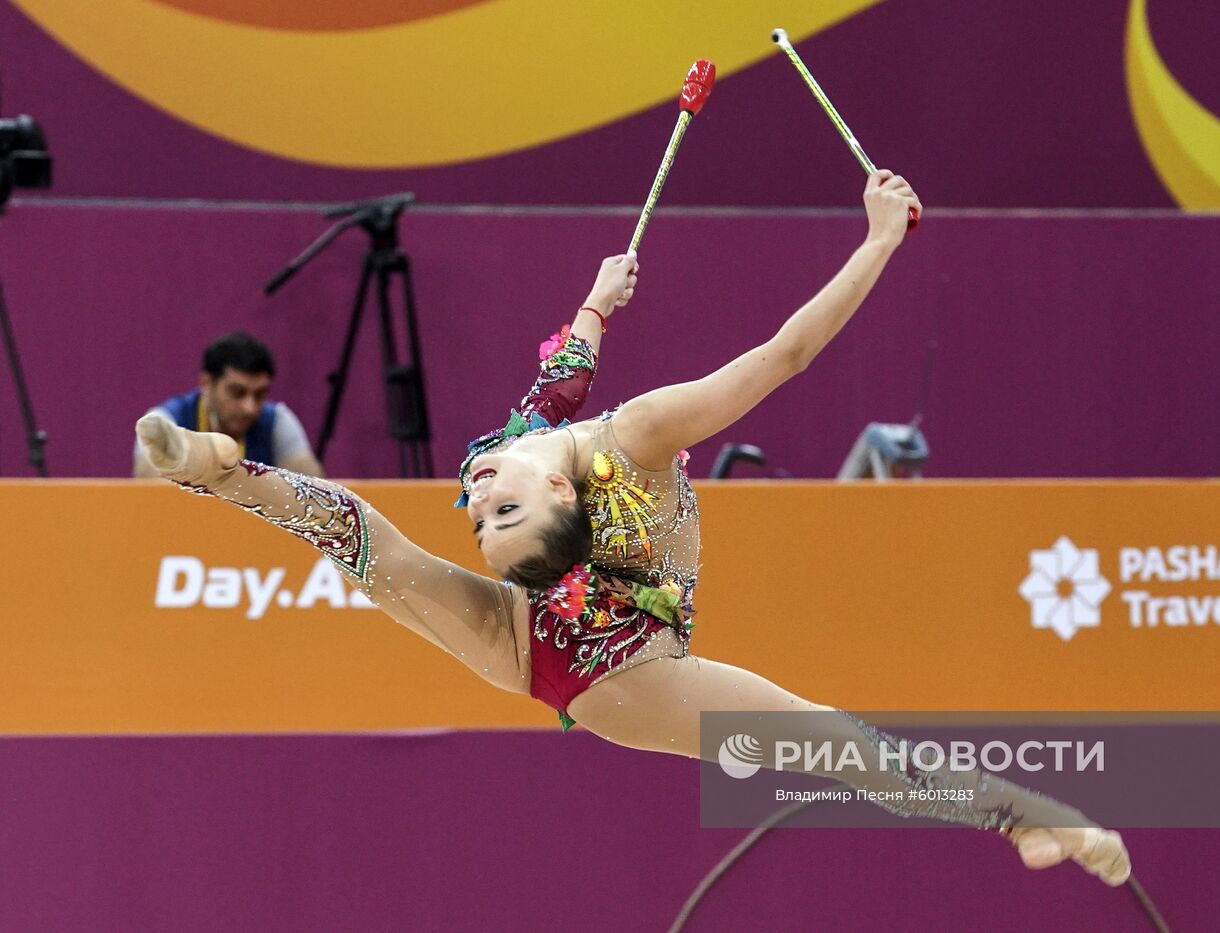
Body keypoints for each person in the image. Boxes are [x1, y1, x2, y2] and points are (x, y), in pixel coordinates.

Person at [136, 172, 1129, 886]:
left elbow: (694, 368)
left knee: (837, 746)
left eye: (487, 514)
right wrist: (603, 307)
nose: (477, 498)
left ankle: (1020, 821)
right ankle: (213, 472)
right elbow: (629, 380)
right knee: (366, 540)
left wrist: (866, 241)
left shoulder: (582, 442)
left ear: (561, 495)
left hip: (592, 661)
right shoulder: (578, 446)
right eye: (490, 509)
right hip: (585, 655)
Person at [133, 331, 325, 478]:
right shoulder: (164, 421)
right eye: (237, 392)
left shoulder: (277, 421)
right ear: (206, 383)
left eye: (259, 394)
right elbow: (149, 488)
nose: (249, 407)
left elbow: (314, 495)